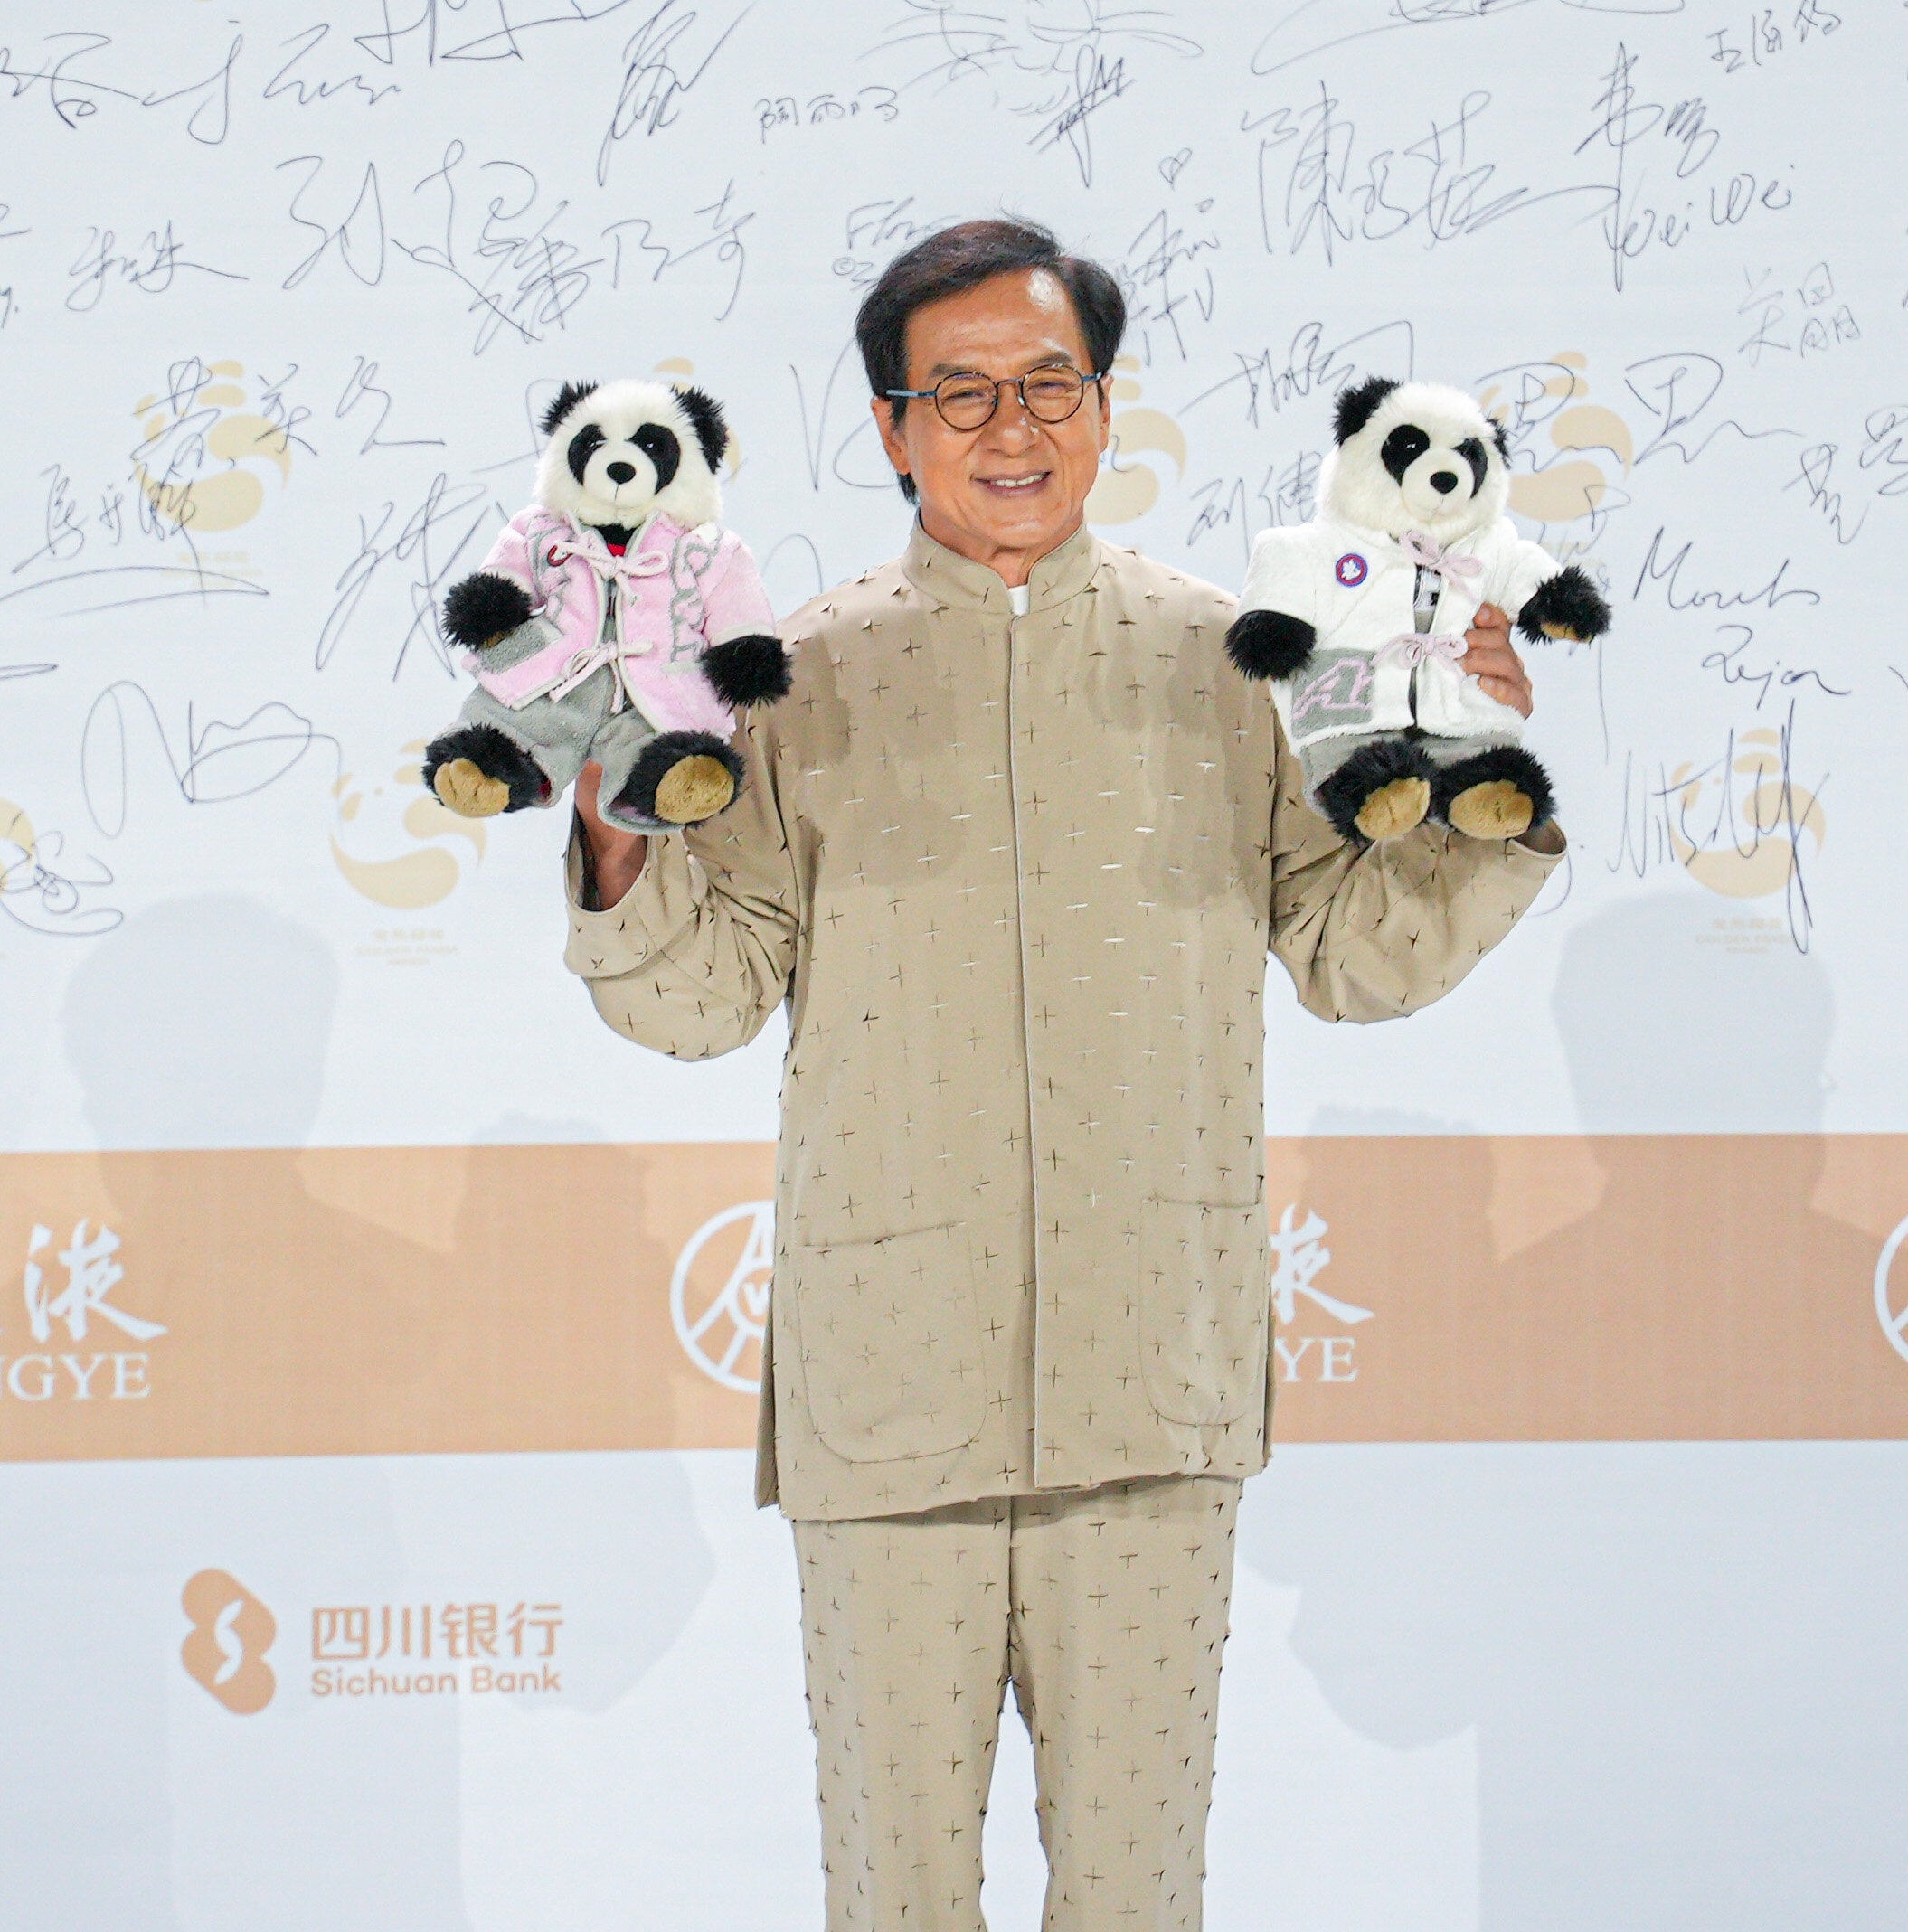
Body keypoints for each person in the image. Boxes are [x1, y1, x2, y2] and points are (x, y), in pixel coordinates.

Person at [564, 219, 1562, 1931]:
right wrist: (611, 821)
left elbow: (1355, 952)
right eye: (958, 392)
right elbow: (701, 999)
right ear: (888, 427)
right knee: (892, 1898)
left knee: (1135, 1897)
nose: (1010, 427)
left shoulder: (1236, 656)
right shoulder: (789, 678)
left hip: (1148, 1383)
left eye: (1049, 382)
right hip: (891, 1396)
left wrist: (1486, 768)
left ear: (1105, 406)